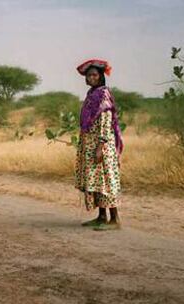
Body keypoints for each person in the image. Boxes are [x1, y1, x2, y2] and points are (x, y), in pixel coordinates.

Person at [75, 59, 123, 230]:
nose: (91, 78)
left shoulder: (103, 95)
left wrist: (100, 146)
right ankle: (102, 217)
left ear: (101, 76)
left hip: (101, 146)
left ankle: (115, 219)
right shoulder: (91, 94)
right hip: (91, 146)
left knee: (106, 181)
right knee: (96, 182)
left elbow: (105, 120)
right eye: (88, 76)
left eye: (94, 75)